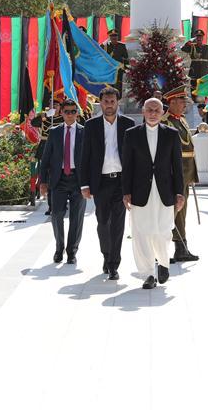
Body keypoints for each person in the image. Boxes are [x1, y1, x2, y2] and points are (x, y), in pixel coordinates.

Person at [121, 98, 184, 289]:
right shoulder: (131, 135)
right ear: (143, 111)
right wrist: (126, 192)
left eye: (157, 110)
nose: (153, 113)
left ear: (162, 112)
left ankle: (163, 262)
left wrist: (179, 193)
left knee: (163, 230)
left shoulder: (172, 134)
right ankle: (148, 273)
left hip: (165, 190)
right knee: (141, 232)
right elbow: (127, 166)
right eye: (149, 109)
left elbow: (177, 167)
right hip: (140, 191)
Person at [78, 86, 135, 280]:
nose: (109, 105)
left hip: (121, 181)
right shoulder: (91, 125)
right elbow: (84, 156)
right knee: (103, 222)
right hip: (100, 182)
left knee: (118, 224)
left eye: (112, 101)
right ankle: (106, 254)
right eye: (106, 102)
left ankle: (114, 264)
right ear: (100, 103)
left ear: (117, 102)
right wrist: (84, 184)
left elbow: (134, 157)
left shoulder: (128, 124)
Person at [39, 99, 86, 264]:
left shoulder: (84, 132)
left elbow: (91, 159)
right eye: (67, 111)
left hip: (79, 180)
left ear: (77, 113)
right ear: (62, 113)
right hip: (58, 180)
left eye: (74, 111)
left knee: (76, 217)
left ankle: (72, 251)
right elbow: (45, 159)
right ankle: (59, 248)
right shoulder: (54, 132)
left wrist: (91, 184)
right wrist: (43, 182)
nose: (70, 114)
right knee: (57, 214)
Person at [161, 85, 199, 262]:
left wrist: (191, 174)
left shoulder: (181, 120)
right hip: (173, 174)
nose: (185, 105)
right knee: (169, 213)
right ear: (172, 102)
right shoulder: (165, 122)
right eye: (182, 101)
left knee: (181, 213)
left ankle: (181, 248)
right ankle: (159, 249)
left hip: (185, 173)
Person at [180, 29, 208, 94]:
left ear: (203, 37)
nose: (199, 38)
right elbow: (183, 49)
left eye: (200, 37)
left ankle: (202, 101)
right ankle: (195, 101)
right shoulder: (192, 46)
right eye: (197, 37)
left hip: (204, 71)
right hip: (194, 71)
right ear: (195, 37)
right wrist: (189, 42)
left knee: (203, 87)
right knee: (193, 87)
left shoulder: (207, 48)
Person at [101, 29, 129, 95]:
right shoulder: (105, 46)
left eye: (115, 36)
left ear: (117, 37)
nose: (114, 38)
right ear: (110, 37)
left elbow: (126, 58)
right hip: (109, 69)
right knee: (109, 84)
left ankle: (117, 98)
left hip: (118, 69)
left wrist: (126, 68)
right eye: (112, 36)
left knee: (118, 85)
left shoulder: (122, 46)